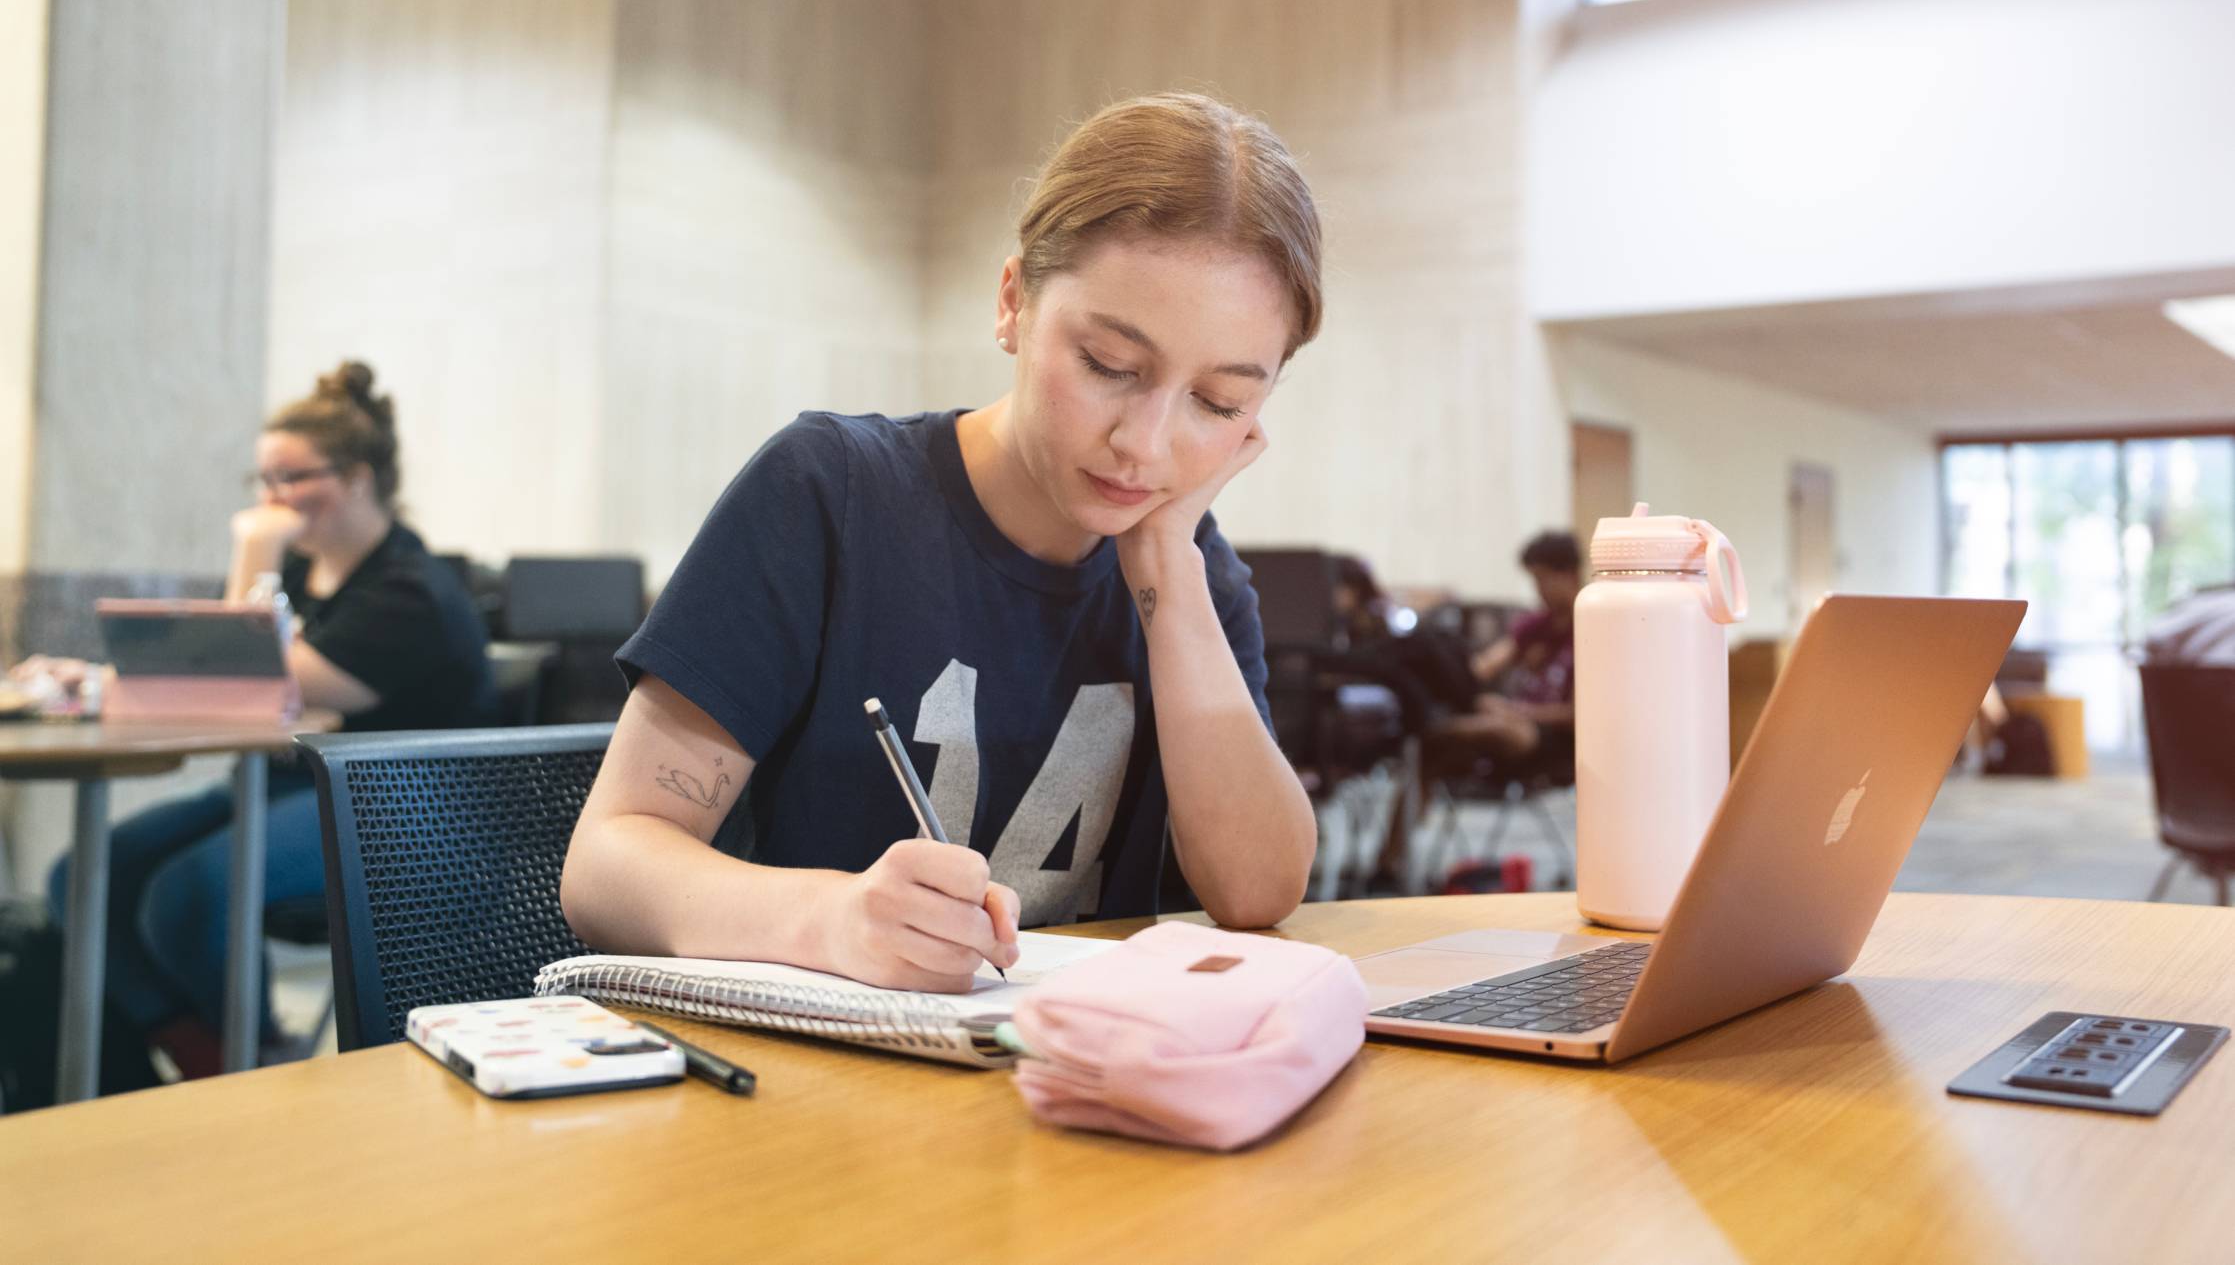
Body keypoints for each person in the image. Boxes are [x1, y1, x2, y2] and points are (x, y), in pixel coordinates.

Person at [562, 92, 1323, 991]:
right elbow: (607, 864)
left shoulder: (1191, 576)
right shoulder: (829, 494)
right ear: (1012, 303)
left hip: (1065, 1088)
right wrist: (832, 919)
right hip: (815, 1087)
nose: (1146, 446)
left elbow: (1257, 891)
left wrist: (1166, 567)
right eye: (1110, 367)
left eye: (1219, 404)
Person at [36, 361, 498, 1081]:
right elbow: (218, 683)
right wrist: (94, 682)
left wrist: (254, 545)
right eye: (264, 481)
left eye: (293, 478)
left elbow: (236, 676)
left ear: (357, 478)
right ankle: (208, 1058)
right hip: (281, 784)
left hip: (397, 806)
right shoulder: (298, 578)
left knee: (183, 897)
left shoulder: (409, 593)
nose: (274, 500)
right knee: (83, 877)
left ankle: (255, 1063)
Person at [1463, 530, 1582, 770]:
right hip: (1518, 721)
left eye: (1543, 578)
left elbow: (1577, 716)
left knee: (1509, 730)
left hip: (1557, 739)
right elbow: (1484, 666)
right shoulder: (1536, 625)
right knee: (1437, 742)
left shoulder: (1594, 626)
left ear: (1570, 575)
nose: (1538, 589)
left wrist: (1517, 711)